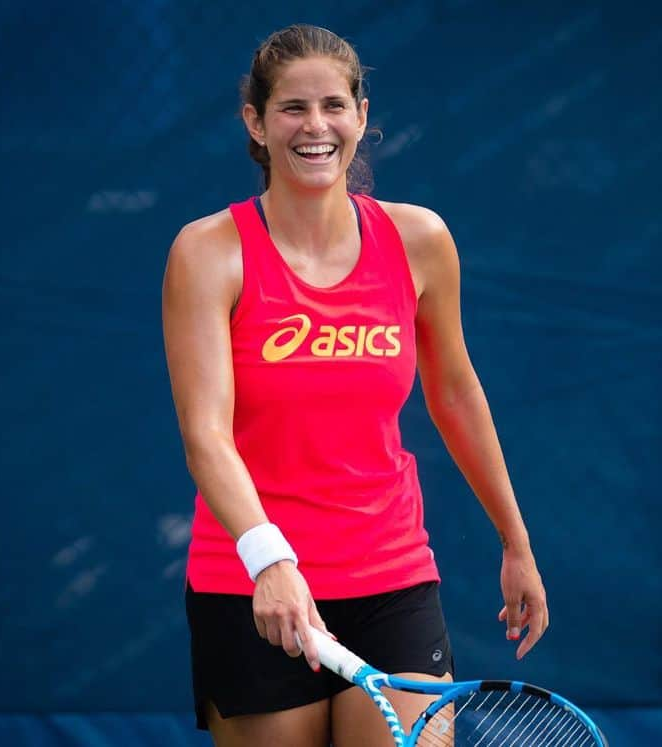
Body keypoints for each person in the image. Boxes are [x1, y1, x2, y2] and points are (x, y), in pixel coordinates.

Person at [162, 23, 548, 747]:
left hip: (392, 578)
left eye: (335, 105)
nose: (316, 126)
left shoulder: (420, 240)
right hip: (252, 587)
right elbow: (204, 433)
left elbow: (457, 395)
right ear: (256, 121)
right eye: (293, 108)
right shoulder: (208, 252)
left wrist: (515, 540)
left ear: (362, 117)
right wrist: (269, 561)